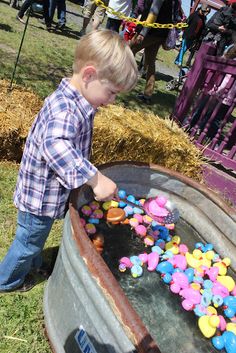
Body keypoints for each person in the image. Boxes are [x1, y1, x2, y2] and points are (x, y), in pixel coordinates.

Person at [0, 29, 138, 293]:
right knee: (27, 241)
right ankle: (7, 281)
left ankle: (35, 262)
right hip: (39, 197)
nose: (112, 101)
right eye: (111, 92)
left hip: (46, 193)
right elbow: (56, 146)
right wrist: (95, 178)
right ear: (89, 75)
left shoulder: (77, 102)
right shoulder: (66, 110)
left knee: (34, 238)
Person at [130, 0, 179, 104]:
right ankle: (147, 95)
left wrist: (143, 33)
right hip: (159, 34)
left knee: (128, 50)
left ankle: (118, 80)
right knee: (150, 61)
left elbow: (153, 13)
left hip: (150, 32)